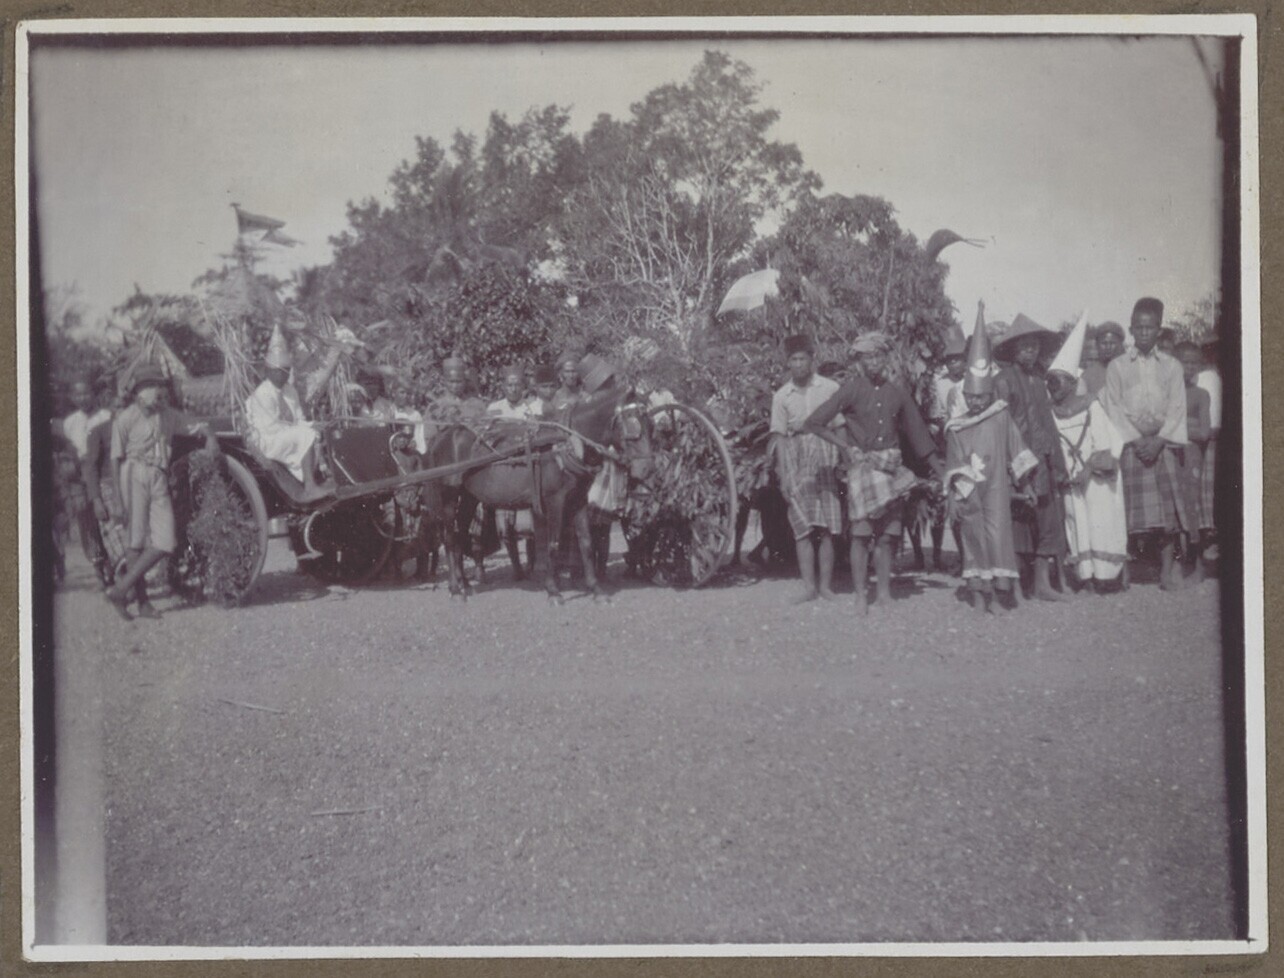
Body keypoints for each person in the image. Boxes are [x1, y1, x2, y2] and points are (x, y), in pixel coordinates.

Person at [804, 331, 943, 614]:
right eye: (867, 358)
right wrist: (845, 446)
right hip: (862, 469)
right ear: (859, 362)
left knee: (887, 536)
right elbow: (814, 423)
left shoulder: (897, 393)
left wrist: (942, 472)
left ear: (886, 358)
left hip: (890, 468)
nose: (873, 362)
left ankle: (883, 593)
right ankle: (860, 595)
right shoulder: (851, 390)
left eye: (878, 356)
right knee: (861, 534)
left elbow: (918, 434)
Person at [103, 364, 219, 620]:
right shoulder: (125, 419)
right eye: (149, 386)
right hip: (133, 474)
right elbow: (115, 459)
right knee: (135, 542)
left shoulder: (168, 416)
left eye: (158, 386)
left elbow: (196, 425)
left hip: (159, 476)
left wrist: (210, 436)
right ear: (137, 392)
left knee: (166, 542)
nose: (156, 391)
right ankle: (143, 603)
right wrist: (119, 502)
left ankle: (120, 589)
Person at [942, 308, 1038, 615]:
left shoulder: (1000, 416)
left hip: (996, 490)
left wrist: (1026, 484)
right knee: (973, 540)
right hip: (969, 493)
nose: (976, 402)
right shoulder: (956, 428)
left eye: (981, 397)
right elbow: (953, 466)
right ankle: (978, 596)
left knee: (998, 540)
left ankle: (997, 596)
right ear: (965, 395)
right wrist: (954, 498)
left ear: (990, 394)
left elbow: (1016, 450)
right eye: (971, 397)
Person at [1101, 297, 1189, 590]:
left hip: (1161, 444)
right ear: (1131, 329)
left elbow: (1177, 406)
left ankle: (1166, 572)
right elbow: (1113, 407)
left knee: (1166, 514)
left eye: (1149, 327)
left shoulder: (1172, 366)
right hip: (1132, 445)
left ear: (1158, 330)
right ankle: (1124, 572)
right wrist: (1138, 439)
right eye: (1138, 327)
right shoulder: (1117, 366)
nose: (1144, 332)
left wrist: (1160, 440)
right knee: (1127, 511)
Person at [1045, 314, 1128, 591]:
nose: (1054, 389)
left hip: (1095, 474)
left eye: (1059, 382)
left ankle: (1107, 576)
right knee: (1077, 523)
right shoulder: (1051, 413)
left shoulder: (1091, 406)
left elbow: (1103, 442)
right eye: (1050, 383)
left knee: (1101, 521)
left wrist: (1088, 470)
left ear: (1072, 382)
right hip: (1071, 479)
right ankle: (1086, 576)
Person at [995, 312, 1071, 600]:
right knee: (1020, 523)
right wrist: (1012, 464)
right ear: (1013, 350)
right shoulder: (1003, 381)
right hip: (1018, 459)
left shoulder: (1039, 380)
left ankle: (1042, 583)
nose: (1030, 351)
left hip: (1044, 457)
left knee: (1048, 518)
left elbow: (1048, 423)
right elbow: (1001, 424)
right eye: (1024, 346)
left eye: (1034, 346)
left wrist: (1058, 462)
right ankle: (1018, 583)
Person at [770, 334, 843, 604]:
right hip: (796, 457)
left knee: (827, 526)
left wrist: (843, 459)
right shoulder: (782, 396)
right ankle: (809, 587)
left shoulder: (830, 388)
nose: (798, 364)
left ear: (812, 360)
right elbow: (779, 437)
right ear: (788, 363)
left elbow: (839, 426)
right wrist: (783, 475)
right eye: (794, 359)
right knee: (802, 526)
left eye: (803, 359)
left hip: (825, 455)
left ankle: (825, 586)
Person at [245, 324, 331, 500]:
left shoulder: (290, 391)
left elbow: (298, 418)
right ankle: (309, 487)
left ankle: (323, 476)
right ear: (269, 371)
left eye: (286, 371)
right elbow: (269, 428)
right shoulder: (263, 394)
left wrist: (312, 424)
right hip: (267, 440)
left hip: (285, 435)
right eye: (279, 371)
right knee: (304, 435)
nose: (283, 375)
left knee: (316, 432)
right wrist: (302, 429)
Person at [55, 376, 113, 583]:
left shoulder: (107, 416)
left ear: (94, 394)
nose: (82, 397)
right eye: (77, 394)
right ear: (72, 397)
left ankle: (113, 563)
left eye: (86, 392)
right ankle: (98, 564)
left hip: (102, 474)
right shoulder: (70, 423)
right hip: (79, 478)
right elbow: (67, 452)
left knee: (106, 518)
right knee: (87, 521)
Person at [82, 377, 127, 586]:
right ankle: (123, 584)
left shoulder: (135, 429)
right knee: (116, 540)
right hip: (108, 488)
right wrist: (96, 500)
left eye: (125, 406)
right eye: (117, 406)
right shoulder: (99, 431)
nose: (121, 410)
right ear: (110, 408)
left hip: (132, 486)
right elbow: (90, 468)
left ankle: (132, 584)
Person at [1176, 341, 1213, 582]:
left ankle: (1197, 563)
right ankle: (1178, 562)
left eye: (1194, 363)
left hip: (1191, 454)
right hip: (1169, 454)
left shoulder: (1201, 395)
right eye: (1185, 362)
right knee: (1174, 506)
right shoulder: (1168, 392)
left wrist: (1177, 430)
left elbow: (1204, 432)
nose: (1189, 367)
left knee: (1192, 505)